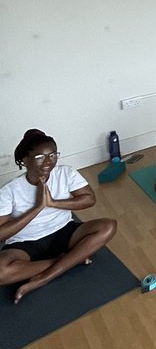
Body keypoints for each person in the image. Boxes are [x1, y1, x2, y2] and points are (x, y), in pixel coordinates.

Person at [0, 129, 117, 304]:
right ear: (24, 160)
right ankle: (67, 260)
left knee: (109, 225)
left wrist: (53, 203)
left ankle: (45, 277)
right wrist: (38, 207)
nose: (48, 162)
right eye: (40, 157)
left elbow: (89, 199)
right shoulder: (9, 190)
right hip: (25, 243)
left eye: (53, 155)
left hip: (64, 232)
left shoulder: (65, 173)